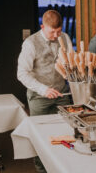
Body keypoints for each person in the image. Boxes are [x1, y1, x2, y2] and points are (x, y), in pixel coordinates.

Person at [17, 10, 72, 173]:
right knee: (40, 137)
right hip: (38, 97)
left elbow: (71, 64)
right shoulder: (30, 43)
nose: (56, 35)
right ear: (42, 26)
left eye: (58, 31)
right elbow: (21, 74)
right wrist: (43, 89)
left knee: (64, 132)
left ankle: (61, 167)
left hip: (62, 94)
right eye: (51, 32)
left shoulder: (65, 38)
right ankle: (42, 170)